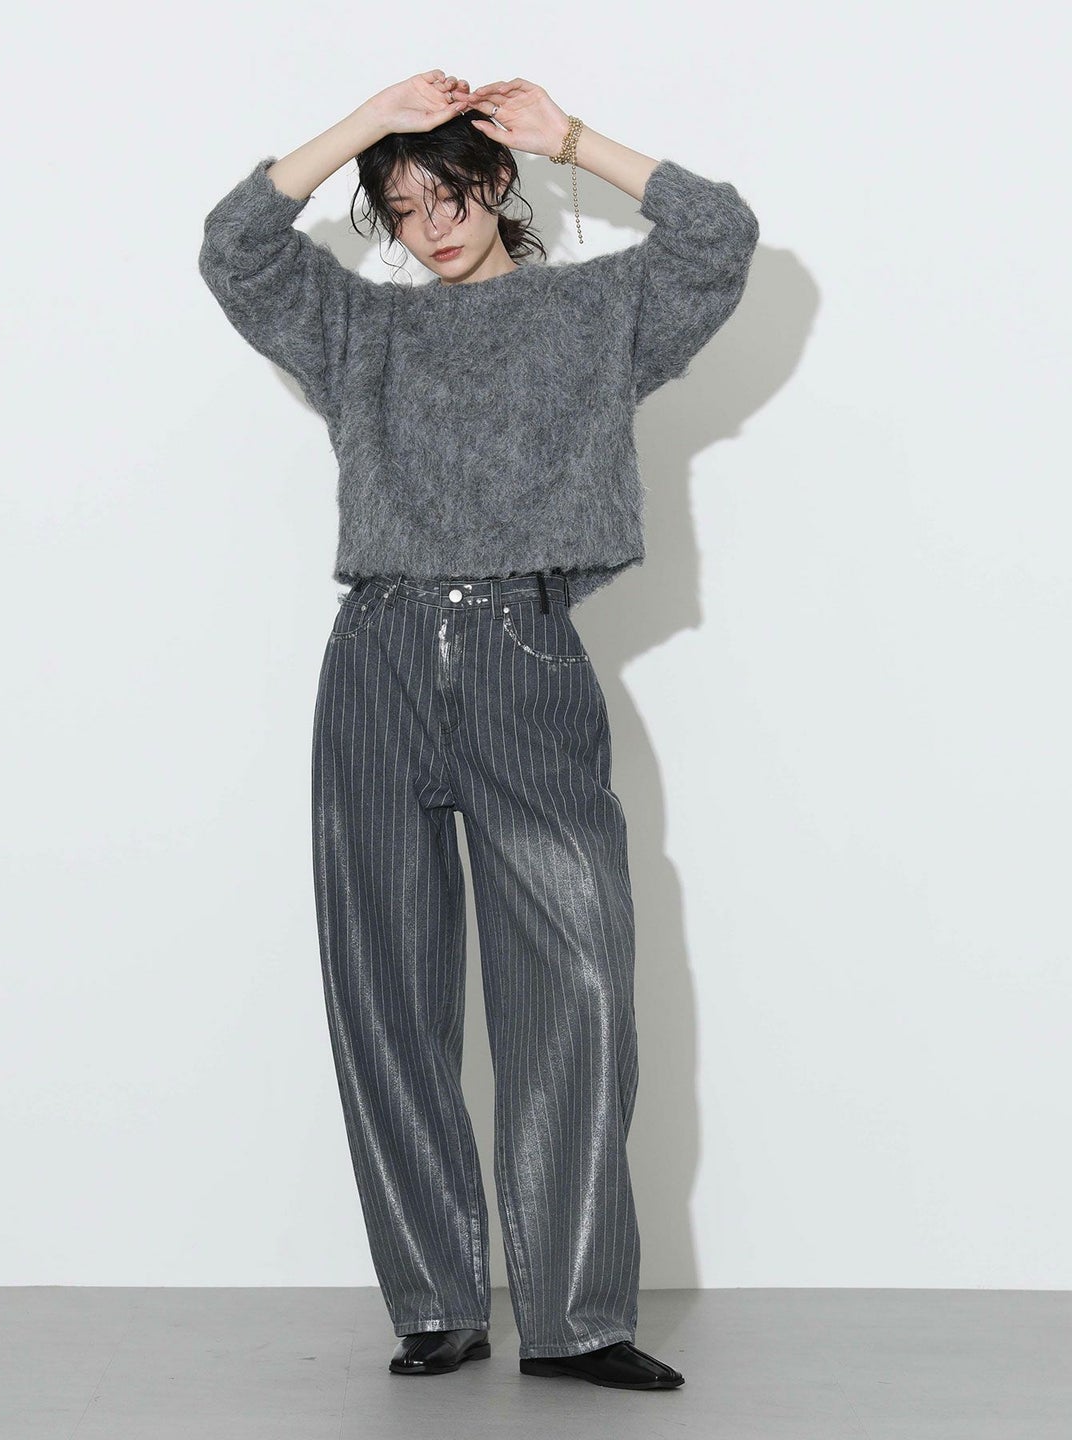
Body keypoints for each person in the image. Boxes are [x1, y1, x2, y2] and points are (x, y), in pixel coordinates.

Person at [198, 69, 759, 1392]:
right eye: (402, 207)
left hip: (524, 652)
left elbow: (719, 237)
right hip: (379, 657)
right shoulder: (361, 329)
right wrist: (368, 123)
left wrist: (571, 138)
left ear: (497, 184)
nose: (429, 226)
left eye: (446, 195)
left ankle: (576, 1317)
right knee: (386, 990)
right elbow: (233, 247)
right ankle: (436, 1302)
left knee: (577, 983)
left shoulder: (595, 314)